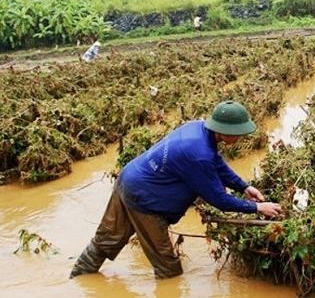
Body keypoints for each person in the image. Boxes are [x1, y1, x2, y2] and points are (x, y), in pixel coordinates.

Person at [70, 100, 282, 279]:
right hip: (145, 200)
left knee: (106, 240)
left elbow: (217, 164)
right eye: (238, 133)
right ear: (224, 130)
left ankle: (78, 281)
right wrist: (258, 208)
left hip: (129, 178)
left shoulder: (197, 128)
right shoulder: (198, 155)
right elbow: (220, 200)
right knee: (168, 268)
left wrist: (245, 186)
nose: (241, 137)